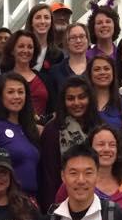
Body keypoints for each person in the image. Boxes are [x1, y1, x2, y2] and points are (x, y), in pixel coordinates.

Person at [54, 125, 122, 220]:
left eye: (112, 145)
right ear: (90, 148)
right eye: (101, 144)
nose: (107, 149)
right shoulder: (73, 184)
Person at [38, 76, 99, 211]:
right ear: (63, 102)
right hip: (63, 204)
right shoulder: (53, 131)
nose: (77, 103)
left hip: (98, 201)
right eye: (70, 98)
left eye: (81, 97)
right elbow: (48, 177)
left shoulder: (99, 127)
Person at [0, 72, 41, 197]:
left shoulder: (29, 128)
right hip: (4, 200)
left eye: (21, 92)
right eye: (10, 92)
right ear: (0, 96)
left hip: (30, 201)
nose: (16, 96)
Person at [0, 30, 50, 120]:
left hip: (41, 131)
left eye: (30, 47)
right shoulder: (2, 80)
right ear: (12, 50)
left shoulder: (45, 78)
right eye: (21, 46)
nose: (25, 50)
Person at [88, 54, 122, 130]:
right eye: (97, 69)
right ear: (90, 74)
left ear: (113, 73)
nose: (102, 72)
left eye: (106, 69)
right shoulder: (84, 103)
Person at [50, 23, 91, 96]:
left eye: (82, 36)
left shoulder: (95, 68)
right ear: (67, 42)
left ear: (87, 40)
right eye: (73, 38)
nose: (78, 41)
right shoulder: (55, 71)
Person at [25, 3, 64, 76]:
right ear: (31, 22)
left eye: (46, 17)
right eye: (38, 17)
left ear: (51, 22)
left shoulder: (57, 54)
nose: (42, 21)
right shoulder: (21, 50)